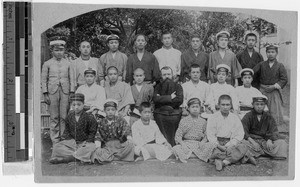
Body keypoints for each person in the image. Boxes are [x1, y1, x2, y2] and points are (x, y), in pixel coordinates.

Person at [206, 94, 256, 171]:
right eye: (223, 104)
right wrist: (219, 146)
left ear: (231, 105)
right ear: (218, 105)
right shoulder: (212, 117)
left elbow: (239, 134)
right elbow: (210, 135)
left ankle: (224, 162)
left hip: (231, 142)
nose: (225, 107)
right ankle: (243, 158)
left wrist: (230, 144)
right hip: (217, 143)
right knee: (214, 152)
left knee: (243, 146)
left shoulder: (235, 117)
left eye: (227, 105)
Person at [41, 39, 75, 144]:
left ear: (64, 50)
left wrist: (72, 92)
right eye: (56, 50)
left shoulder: (68, 64)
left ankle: (63, 138)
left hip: (65, 92)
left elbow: (72, 79)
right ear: (52, 51)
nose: (59, 52)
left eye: (61, 50)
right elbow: (43, 80)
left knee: (64, 116)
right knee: (54, 116)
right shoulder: (47, 64)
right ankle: (55, 140)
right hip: (52, 92)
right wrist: (45, 93)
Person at [49, 93, 98, 164]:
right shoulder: (70, 116)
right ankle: (79, 157)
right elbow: (67, 131)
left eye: (79, 104)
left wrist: (86, 142)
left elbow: (92, 132)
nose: (76, 107)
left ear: (83, 104)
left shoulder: (89, 117)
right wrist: (71, 141)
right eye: (74, 105)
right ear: (71, 105)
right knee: (57, 147)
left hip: (85, 143)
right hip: (73, 143)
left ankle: (67, 159)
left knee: (91, 147)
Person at [253, 44, 288, 132]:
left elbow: (284, 79)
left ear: (276, 53)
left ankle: (273, 128)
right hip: (262, 90)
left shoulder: (280, 65)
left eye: (273, 52)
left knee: (274, 110)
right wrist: (257, 86)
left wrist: (274, 86)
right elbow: (253, 73)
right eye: (268, 52)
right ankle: (260, 126)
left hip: (274, 91)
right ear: (266, 53)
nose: (270, 54)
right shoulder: (261, 64)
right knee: (261, 108)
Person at [241, 95, 288, 160]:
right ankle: (267, 154)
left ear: (265, 105)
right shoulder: (248, 116)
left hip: (265, 142)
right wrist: (253, 142)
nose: (259, 106)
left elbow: (274, 130)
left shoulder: (269, 117)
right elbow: (243, 131)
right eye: (257, 104)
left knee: (282, 143)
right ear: (252, 105)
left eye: (262, 104)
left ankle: (256, 155)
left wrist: (270, 140)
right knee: (242, 144)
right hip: (251, 141)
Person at [173, 98, 217, 163]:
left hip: (198, 144)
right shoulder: (184, 121)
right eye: (193, 107)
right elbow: (178, 136)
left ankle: (192, 155)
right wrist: (182, 144)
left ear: (200, 108)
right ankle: (195, 155)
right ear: (188, 108)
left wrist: (203, 141)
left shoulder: (203, 121)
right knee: (176, 148)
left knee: (212, 145)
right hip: (187, 143)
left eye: (197, 107)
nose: (195, 109)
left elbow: (206, 135)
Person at [153, 66, 183, 146]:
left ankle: (173, 145)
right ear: (161, 76)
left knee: (175, 120)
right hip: (160, 112)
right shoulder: (158, 87)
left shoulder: (178, 86)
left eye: (169, 74)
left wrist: (161, 98)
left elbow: (179, 100)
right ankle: (164, 145)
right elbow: (155, 99)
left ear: (172, 75)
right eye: (164, 74)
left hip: (174, 112)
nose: (167, 76)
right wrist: (170, 97)